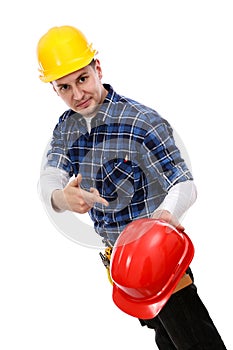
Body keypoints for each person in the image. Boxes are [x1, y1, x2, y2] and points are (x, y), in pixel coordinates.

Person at [37, 25, 227, 349]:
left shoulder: (141, 121)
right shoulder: (67, 127)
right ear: (54, 89)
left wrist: (165, 217)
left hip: (158, 260)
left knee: (195, 341)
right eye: (64, 86)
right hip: (122, 270)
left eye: (82, 78)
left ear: (97, 68)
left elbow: (185, 183)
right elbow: (49, 177)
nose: (77, 94)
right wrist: (62, 197)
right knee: (167, 341)